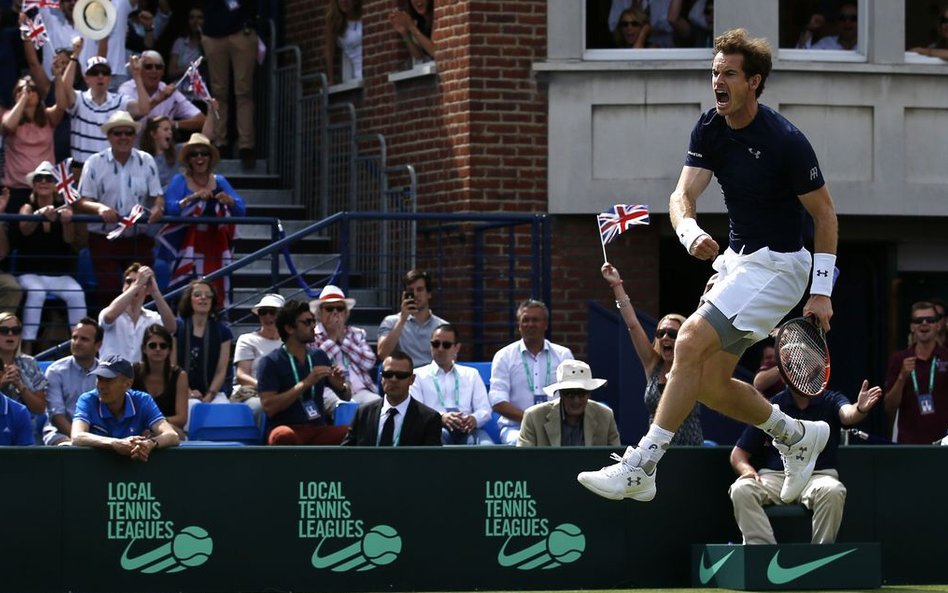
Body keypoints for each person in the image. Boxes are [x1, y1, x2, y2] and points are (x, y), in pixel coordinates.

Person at [577, 29, 839, 504]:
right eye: (715, 72)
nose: (718, 81)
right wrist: (690, 232)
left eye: (729, 74)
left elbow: (825, 215)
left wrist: (821, 291)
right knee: (710, 384)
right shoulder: (709, 129)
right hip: (737, 262)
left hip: (781, 268)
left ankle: (642, 466)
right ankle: (798, 437)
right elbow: (682, 197)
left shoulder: (786, 141)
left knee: (690, 341)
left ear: (753, 82)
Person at [729, 379, 881, 544]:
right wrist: (747, 471)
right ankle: (762, 555)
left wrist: (859, 408)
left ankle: (819, 557)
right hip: (777, 478)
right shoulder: (772, 406)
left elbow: (847, 415)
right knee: (741, 489)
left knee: (833, 491)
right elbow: (738, 454)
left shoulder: (830, 400)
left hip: (817, 477)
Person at [603, 262, 703, 445]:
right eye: (661, 333)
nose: (666, 338)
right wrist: (616, 284)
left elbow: (700, 329)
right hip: (655, 450)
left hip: (691, 451)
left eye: (673, 334)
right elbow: (632, 325)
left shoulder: (693, 366)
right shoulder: (653, 365)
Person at [75, 110, 165, 308]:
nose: (123, 137)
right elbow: (82, 201)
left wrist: (158, 208)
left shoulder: (146, 160)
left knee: (144, 291)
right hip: (104, 238)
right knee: (108, 291)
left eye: (128, 133)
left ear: (134, 136)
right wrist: (100, 208)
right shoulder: (94, 162)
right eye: (118, 133)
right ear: (109, 136)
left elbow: (157, 195)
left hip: (138, 238)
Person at [158, 132, 245, 302]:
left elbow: (241, 209)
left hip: (213, 249)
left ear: (210, 157)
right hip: (185, 247)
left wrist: (229, 201)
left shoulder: (219, 181)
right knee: (185, 294)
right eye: (194, 154)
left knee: (215, 290)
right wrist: (194, 198)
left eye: (204, 153)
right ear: (188, 159)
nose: (199, 158)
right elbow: (171, 209)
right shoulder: (179, 180)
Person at [16, 161, 87, 354]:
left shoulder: (63, 207)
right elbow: (24, 228)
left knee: (76, 293)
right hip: (30, 272)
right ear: (34, 184)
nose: (44, 182)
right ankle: (27, 349)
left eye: (49, 178)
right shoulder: (27, 207)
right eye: (39, 178)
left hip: (58, 274)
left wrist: (67, 222)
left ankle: (80, 346)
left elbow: (69, 239)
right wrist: (39, 215)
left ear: (56, 184)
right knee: (37, 292)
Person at [257, 300, 351, 445]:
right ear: (289, 328)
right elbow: (269, 407)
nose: (314, 325)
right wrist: (306, 383)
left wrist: (341, 386)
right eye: (307, 322)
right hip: (288, 427)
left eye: (313, 321)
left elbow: (347, 396)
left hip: (317, 428)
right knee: (283, 435)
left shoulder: (319, 356)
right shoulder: (270, 362)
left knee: (352, 432)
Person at [488, 299, 574, 446]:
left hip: (557, 426)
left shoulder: (563, 355)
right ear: (519, 325)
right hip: (516, 427)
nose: (530, 324)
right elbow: (498, 402)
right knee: (523, 445)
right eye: (525, 320)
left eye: (535, 320)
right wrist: (532, 419)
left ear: (545, 324)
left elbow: (573, 393)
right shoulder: (504, 356)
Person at [71, 355, 180, 460]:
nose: (101, 386)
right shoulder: (87, 400)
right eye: (99, 378)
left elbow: (172, 435)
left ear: (128, 384)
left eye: (108, 380)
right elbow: (77, 436)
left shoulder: (142, 400)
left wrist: (150, 443)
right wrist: (114, 443)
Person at [57, 45, 150, 164]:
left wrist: (137, 76)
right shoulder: (79, 99)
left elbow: (144, 109)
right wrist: (75, 56)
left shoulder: (119, 102)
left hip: (109, 170)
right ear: (86, 78)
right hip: (81, 169)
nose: (100, 76)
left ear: (110, 78)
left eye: (105, 73)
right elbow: (64, 89)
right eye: (95, 73)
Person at [410, 323, 493, 445]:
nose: (440, 349)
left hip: (468, 429)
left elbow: (485, 409)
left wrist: (474, 419)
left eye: (446, 345)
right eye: (436, 344)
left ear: (457, 348)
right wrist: (441, 418)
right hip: (435, 429)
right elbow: (415, 411)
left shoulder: (471, 374)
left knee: (489, 448)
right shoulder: (417, 375)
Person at [200, 0, 258, 169]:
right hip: (213, 32)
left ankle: (246, 146)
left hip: (241, 30)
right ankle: (220, 142)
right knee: (218, 92)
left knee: (244, 91)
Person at [342, 351, 442, 446]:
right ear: (381, 378)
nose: (393, 380)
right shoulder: (363, 413)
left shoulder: (429, 419)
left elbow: (431, 460)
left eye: (401, 375)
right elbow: (346, 454)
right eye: (388, 374)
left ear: (412, 379)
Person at [884, 301, 948, 444]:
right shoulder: (899, 359)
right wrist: (902, 377)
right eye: (918, 320)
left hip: (943, 444)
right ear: (912, 327)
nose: (924, 323)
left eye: (930, 320)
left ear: (938, 325)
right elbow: (889, 407)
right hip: (908, 444)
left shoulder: (946, 357)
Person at [518, 359, 620, 447]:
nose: (576, 400)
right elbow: (524, 460)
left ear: (589, 394)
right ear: (560, 394)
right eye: (569, 394)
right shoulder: (533, 417)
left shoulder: (605, 416)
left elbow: (618, 462)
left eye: (582, 393)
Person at [311, 284, 379, 415]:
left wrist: (344, 341)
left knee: (377, 405)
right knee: (343, 408)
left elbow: (369, 362)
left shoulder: (357, 333)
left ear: (345, 313)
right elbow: (317, 362)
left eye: (340, 308)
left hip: (360, 390)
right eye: (329, 309)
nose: (335, 313)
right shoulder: (313, 335)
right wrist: (332, 339)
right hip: (329, 389)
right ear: (320, 313)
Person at [1, 76, 64, 211]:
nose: (27, 92)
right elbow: (8, 126)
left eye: (32, 89)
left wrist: (58, 77)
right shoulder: (8, 115)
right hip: (16, 187)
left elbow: (61, 106)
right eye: (21, 90)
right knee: (16, 230)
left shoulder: (48, 116)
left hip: (44, 186)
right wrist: (23, 99)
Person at [117, 50, 206, 137]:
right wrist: (160, 98)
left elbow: (201, 119)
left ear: (163, 72)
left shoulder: (169, 91)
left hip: (161, 149)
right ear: (139, 69)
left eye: (158, 67)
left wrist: (173, 124)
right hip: (132, 148)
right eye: (148, 67)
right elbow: (129, 117)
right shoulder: (126, 89)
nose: (154, 70)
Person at [98, 263, 176, 362]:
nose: (132, 285)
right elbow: (109, 317)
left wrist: (155, 292)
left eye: (138, 281)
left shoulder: (153, 317)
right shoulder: (109, 311)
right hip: (112, 376)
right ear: (123, 287)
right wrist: (138, 284)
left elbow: (171, 328)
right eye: (129, 281)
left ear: (147, 289)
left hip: (140, 376)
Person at [42, 317, 101, 446]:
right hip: (61, 433)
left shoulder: (105, 373)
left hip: (99, 434)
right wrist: (81, 439)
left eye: (84, 339)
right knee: (67, 447)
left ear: (98, 345)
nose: (77, 342)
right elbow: (56, 416)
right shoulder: (55, 371)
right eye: (74, 338)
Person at [174, 279, 232, 404]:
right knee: (192, 405)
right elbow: (172, 366)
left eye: (208, 295)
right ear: (189, 299)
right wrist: (188, 392)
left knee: (223, 407)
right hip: (179, 390)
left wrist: (209, 396)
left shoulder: (223, 332)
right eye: (197, 295)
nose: (203, 298)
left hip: (212, 392)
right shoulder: (177, 327)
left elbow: (221, 370)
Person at [376, 269, 448, 366]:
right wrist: (402, 319)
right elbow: (382, 354)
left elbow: (448, 360)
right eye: (410, 291)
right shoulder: (391, 322)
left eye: (420, 289)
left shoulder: (442, 326)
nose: (415, 294)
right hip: (403, 376)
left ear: (429, 294)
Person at [232, 292, 284, 419]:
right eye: (263, 312)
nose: (267, 316)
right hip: (253, 393)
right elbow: (242, 375)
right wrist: (266, 387)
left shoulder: (291, 342)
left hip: (283, 393)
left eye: (272, 312)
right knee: (264, 406)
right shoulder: (247, 339)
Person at [133, 323, 188, 439]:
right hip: (137, 430)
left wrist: (155, 424)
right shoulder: (133, 372)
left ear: (169, 350)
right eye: (152, 345)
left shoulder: (179, 376)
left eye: (163, 346)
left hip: (169, 430)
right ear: (144, 349)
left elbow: (181, 418)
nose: (158, 349)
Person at [0, 312, 47, 422]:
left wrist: (21, 387)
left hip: (24, 427)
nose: (10, 334)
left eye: (16, 330)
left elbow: (40, 409)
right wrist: (2, 384)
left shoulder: (29, 362)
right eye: (4, 330)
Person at [324, 0, 362, 84]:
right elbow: (329, 53)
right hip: (360, 74)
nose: (344, 2)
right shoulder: (336, 25)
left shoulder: (366, 16)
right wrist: (331, 79)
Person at [168, 7, 205, 80]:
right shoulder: (179, 43)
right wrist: (191, 69)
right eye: (192, 17)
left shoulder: (209, 44)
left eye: (199, 17)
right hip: (180, 86)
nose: (195, 21)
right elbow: (171, 72)